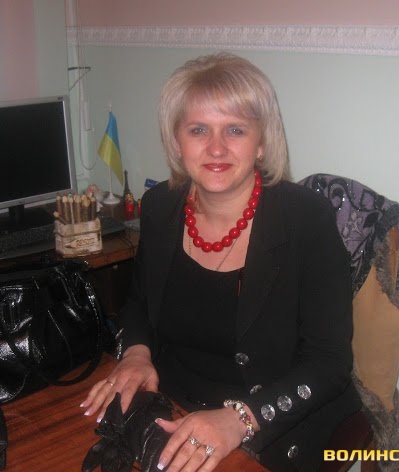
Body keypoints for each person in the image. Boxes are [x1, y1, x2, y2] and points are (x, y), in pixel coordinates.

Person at [81, 52, 361, 471]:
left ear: (261, 142)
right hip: (174, 406)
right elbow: (140, 302)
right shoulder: (160, 206)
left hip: (272, 422)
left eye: (235, 129)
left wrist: (240, 420)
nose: (216, 147)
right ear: (177, 141)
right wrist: (136, 353)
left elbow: (330, 363)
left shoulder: (306, 220)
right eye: (198, 130)